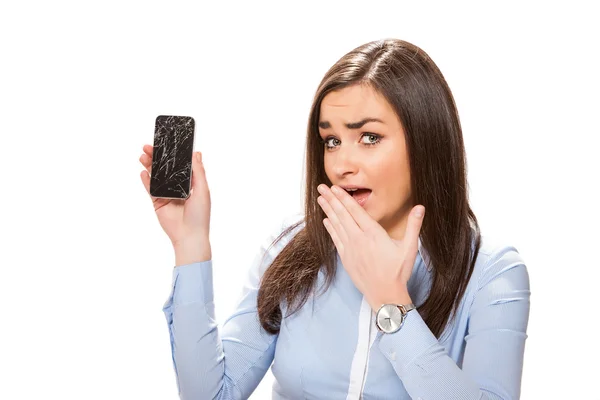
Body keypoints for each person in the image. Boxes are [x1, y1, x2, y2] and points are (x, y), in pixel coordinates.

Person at [139, 38, 531, 400]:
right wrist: (190, 244)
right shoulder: (291, 247)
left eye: (370, 137)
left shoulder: (493, 272)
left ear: (426, 140)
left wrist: (390, 301)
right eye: (332, 141)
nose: (342, 164)